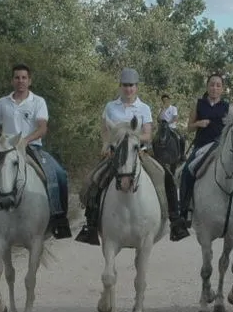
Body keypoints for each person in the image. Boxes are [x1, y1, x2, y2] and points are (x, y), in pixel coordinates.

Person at [74, 69, 187, 245]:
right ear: (120, 86)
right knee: (93, 180)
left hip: (138, 153)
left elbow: (148, 134)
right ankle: (91, 225)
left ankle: (175, 220)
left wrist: (130, 138)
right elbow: (105, 129)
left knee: (165, 177)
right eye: (125, 85)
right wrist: (106, 144)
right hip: (115, 154)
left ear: (137, 87)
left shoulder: (144, 108)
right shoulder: (110, 107)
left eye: (132, 85)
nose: (128, 89)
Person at [0, 63, 71, 240]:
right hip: (6, 150)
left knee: (59, 175)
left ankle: (59, 220)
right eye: (17, 77)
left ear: (30, 81)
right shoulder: (2, 103)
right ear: (12, 80)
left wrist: (25, 140)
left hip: (32, 147)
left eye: (24, 78)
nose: (20, 81)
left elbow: (43, 128)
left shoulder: (38, 102)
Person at [174, 74, 233, 242]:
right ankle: (184, 212)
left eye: (218, 85)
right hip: (203, 146)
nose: (215, 88)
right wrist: (198, 124)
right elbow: (189, 128)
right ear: (207, 87)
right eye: (212, 85)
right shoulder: (198, 104)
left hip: (223, 146)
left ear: (222, 88)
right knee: (187, 171)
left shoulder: (228, 107)